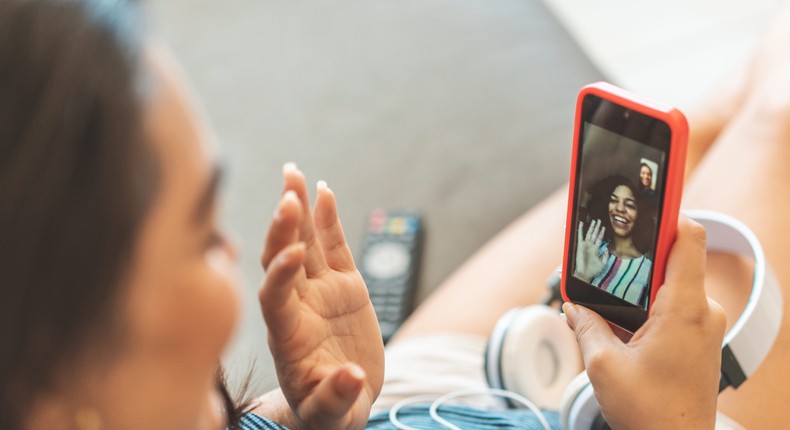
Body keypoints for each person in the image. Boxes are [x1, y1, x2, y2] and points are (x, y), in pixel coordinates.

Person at [1, 1, 789, 429]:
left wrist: (317, 416)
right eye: (203, 236)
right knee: (777, 122)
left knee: (711, 112)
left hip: (422, 400)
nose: (234, 253)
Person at [574, 176, 654, 306]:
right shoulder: (591, 249)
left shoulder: (648, 271)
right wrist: (582, 275)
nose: (620, 209)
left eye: (629, 205)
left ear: (640, 213)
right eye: (613, 201)